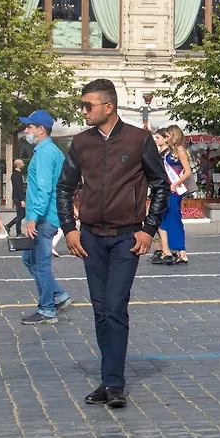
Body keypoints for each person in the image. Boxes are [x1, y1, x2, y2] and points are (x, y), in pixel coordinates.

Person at [56, 79, 170, 409]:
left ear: (109, 107)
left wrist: (149, 229)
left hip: (126, 238)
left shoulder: (138, 139)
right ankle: (109, 380)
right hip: (91, 237)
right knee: (101, 309)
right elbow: (65, 187)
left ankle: (115, 383)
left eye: (87, 105)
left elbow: (160, 185)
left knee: (115, 306)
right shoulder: (81, 142)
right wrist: (69, 229)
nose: (83, 111)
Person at [18, 110, 74, 325]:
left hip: (44, 217)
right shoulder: (52, 151)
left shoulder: (44, 153)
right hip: (47, 215)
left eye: (29, 127)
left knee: (40, 263)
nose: (26, 131)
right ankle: (58, 296)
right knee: (29, 259)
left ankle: (47, 309)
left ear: (41, 130)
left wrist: (32, 217)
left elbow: (44, 189)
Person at [151, 125, 192, 265]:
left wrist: (175, 184)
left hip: (175, 190)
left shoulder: (180, 150)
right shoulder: (170, 151)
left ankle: (182, 251)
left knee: (174, 218)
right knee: (165, 218)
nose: (166, 137)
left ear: (173, 135)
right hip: (168, 188)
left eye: (168, 135)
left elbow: (187, 171)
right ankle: (168, 249)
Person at [6, 159, 25, 236]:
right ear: (19, 165)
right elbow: (19, 188)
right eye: (22, 163)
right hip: (18, 197)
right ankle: (17, 231)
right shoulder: (17, 175)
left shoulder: (14, 174)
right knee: (20, 215)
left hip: (16, 197)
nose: (23, 165)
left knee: (21, 214)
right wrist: (22, 199)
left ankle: (9, 226)